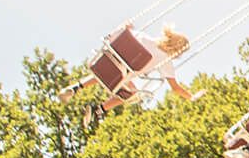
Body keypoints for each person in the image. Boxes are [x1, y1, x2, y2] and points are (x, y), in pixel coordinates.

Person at [62, 26, 197, 113]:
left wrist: (125, 28)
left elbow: (115, 35)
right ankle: (99, 110)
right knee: (130, 93)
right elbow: (175, 88)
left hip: (104, 62)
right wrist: (191, 97)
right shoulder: (164, 59)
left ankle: (76, 87)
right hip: (120, 76)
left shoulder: (142, 35)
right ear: (177, 51)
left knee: (110, 70)